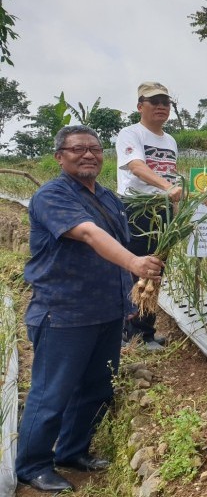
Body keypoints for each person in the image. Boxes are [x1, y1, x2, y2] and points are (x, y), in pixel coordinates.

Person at [16, 126, 164, 493]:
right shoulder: (52, 196)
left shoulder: (109, 197)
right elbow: (88, 234)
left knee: (96, 388)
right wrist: (134, 262)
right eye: (78, 149)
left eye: (95, 149)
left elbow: (127, 237)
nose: (88, 155)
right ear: (59, 156)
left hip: (107, 311)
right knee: (53, 392)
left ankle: (72, 451)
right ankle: (32, 464)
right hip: (64, 312)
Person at [115, 81, 180, 350]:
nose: (162, 107)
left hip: (161, 210)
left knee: (155, 272)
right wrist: (167, 188)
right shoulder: (131, 133)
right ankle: (132, 333)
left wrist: (175, 211)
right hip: (137, 208)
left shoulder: (170, 140)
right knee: (136, 268)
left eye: (166, 102)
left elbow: (171, 175)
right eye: (155, 102)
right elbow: (136, 167)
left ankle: (145, 330)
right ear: (140, 106)